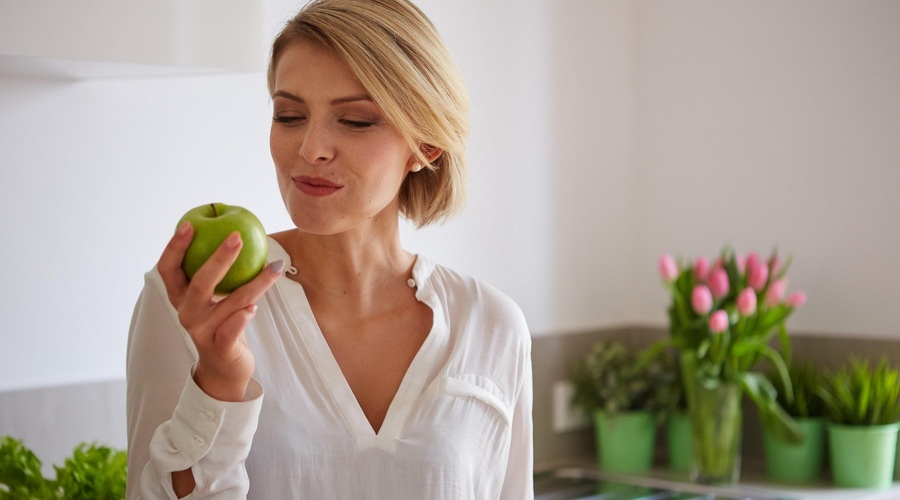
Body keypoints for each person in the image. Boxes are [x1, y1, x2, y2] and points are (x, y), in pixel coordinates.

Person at [125, 0, 534, 498]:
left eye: (356, 121)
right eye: (290, 115)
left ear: (425, 144)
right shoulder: (194, 302)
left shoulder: (490, 325)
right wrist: (218, 383)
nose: (310, 148)